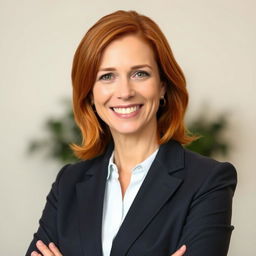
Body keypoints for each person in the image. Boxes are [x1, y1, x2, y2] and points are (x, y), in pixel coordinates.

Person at [26, 10, 237, 256]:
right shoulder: (69, 182)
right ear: (90, 94)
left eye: (140, 73)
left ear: (162, 86)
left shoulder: (208, 181)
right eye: (107, 76)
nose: (124, 91)